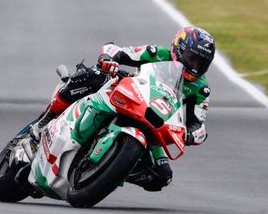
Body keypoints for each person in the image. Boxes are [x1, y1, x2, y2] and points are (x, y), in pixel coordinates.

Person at [24, 26, 215, 194]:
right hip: (127, 95)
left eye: (201, 63)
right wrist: (108, 58)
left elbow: (198, 124)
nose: (195, 66)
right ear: (178, 50)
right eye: (192, 59)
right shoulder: (157, 53)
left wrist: (190, 135)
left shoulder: (200, 89)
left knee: (161, 176)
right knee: (89, 76)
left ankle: (111, 170)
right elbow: (116, 50)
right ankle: (44, 122)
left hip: (153, 121)